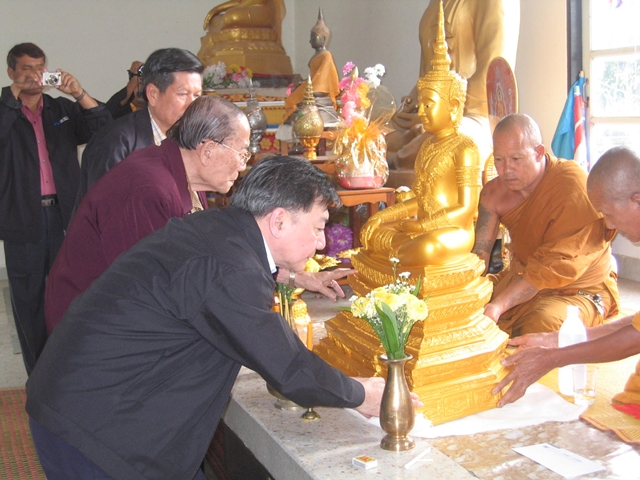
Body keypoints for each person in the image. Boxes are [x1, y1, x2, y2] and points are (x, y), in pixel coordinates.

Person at [26, 156, 417, 480]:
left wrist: (288, 275)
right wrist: (361, 395)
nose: (322, 242)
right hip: (96, 432)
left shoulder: (220, 232)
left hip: (85, 401)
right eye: (318, 227)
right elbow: (288, 367)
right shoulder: (230, 266)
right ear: (279, 220)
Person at [46, 96, 353, 333]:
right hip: (93, 329)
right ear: (207, 151)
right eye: (242, 153)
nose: (243, 165)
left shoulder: (186, 179)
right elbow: (155, 288)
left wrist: (295, 276)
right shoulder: (148, 189)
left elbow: (210, 258)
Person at [493, 146, 640, 406]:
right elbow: (636, 325)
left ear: (636, 200)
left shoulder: (567, 187)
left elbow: (634, 339)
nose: (608, 224)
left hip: (584, 291)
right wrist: (556, 340)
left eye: (609, 213)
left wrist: (553, 357)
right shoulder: (497, 193)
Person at [0, 42, 111, 374]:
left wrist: (79, 93)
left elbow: (103, 128)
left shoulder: (60, 108)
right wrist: (11, 96)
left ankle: (70, 371)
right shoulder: (5, 110)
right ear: (11, 72)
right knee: (29, 300)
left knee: (71, 292)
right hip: (23, 218)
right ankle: (38, 376)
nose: (35, 75)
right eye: (26, 69)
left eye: (40, 67)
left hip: (66, 215)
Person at [472, 114, 620, 337]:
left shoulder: (572, 185)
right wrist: (466, 292)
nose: (506, 169)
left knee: (539, 328)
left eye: (516, 159)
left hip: (578, 290)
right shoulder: (494, 194)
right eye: (499, 159)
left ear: (539, 152)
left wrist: (499, 306)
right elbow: (479, 255)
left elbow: (553, 266)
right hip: (522, 276)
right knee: (467, 311)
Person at [359, 6, 481, 267]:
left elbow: (467, 209)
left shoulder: (465, 148)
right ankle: (397, 257)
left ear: (453, 107)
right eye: (421, 104)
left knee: (426, 247)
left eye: (428, 105)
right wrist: (382, 217)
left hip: (453, 232)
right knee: (375, 236)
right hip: (423, 226)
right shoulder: (427, 146)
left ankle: (400, 259)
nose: (421, 112)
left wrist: (422, 226)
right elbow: (419, 199)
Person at [386, 0, 520, 172]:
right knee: (366, 133)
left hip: (474, 116)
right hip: (432, 109)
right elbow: (429, 74)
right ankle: (394, 153)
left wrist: (439, 110)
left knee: (444, 143)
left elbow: (493, 80)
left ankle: (393, 160)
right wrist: (413, 105)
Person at [77, 47, 204, 200]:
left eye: (197, 96)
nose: (192, 105)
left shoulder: (189, 140)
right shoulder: (116, 142)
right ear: (153, 94)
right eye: (183, 94)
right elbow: (105, 208)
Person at [283, 8, 340, 123]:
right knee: (293, 97)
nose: (310, 41)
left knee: (304, 96)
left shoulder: (326, 55)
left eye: (313, 37)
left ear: (323, 39)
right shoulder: (318, 55)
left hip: (319, 90)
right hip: (312, 86)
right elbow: (314, 76)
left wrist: (307, 86)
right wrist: (302, 83)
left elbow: (321, 79)